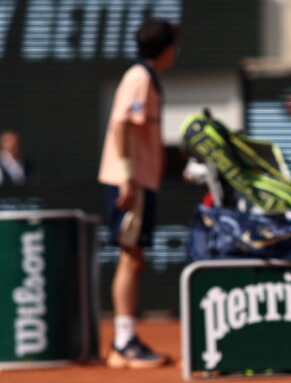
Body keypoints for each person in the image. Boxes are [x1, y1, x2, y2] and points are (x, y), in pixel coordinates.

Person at [97, 18, 178, 369]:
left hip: (139, 180)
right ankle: (124, 343)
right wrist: (128, 178)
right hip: (129, 181)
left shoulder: (146, 77)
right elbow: (119, 125)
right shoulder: (139, 77)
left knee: (134, 257)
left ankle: (124, 338)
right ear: (166, 48)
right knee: (130, 257)